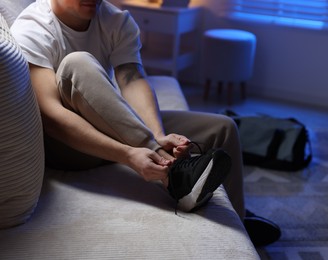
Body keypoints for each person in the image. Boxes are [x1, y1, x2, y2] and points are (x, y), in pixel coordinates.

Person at [11, 0, 281, 246]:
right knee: (77, 63)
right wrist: (129, 154)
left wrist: (158, 133)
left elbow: (132, 79)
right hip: (70, 146)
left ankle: (238, 219)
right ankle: (176, 177)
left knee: (222, 128)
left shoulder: (115, 19)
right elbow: (51, 117)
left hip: (108, 123)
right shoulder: (32, 28)